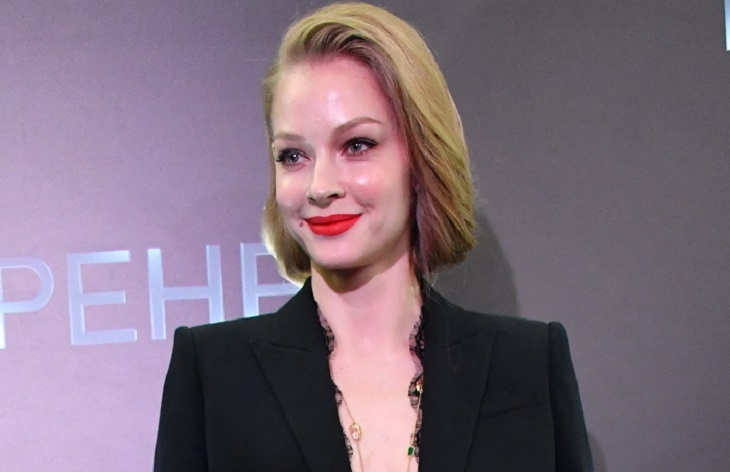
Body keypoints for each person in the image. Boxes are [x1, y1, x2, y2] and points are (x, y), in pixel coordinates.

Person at [154, 2, 594, 471]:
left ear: (421, 157)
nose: (320, 186)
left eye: (356, 145)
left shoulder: (526, 366)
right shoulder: (214, 374)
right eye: (293, 156)